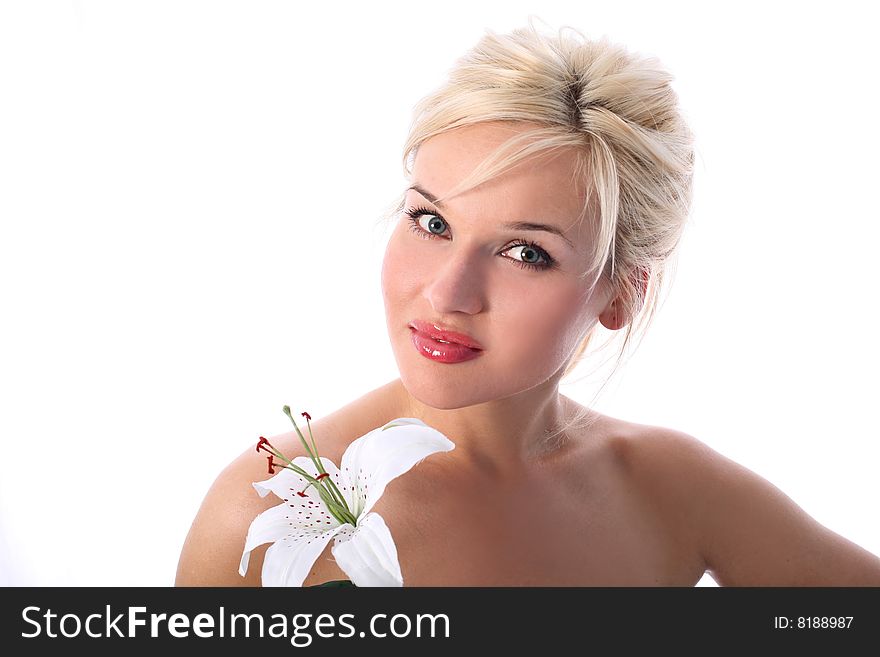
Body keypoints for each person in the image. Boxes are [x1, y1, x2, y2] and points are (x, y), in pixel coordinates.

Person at [175, 20, 880, 586]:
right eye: (431, 221)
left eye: (525, 252)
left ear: (620, 292)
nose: (448, 292)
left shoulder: (671, 487)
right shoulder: (271, 510)